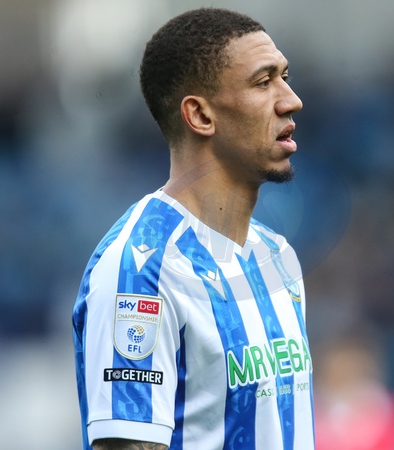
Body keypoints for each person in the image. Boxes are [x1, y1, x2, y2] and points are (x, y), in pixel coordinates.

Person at [72, 7, 313, 450]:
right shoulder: (141, 271)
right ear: (200, 115)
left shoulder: (278, 256)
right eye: (263, 82)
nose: (291, 99)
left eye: (285, 77)